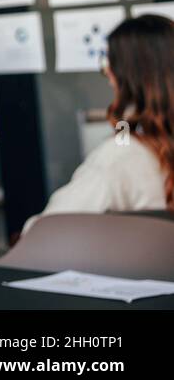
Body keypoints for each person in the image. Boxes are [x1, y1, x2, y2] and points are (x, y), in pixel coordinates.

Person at [20, 14, 174, 237]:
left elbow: (42, 233)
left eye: (108, 65)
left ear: (121, 77)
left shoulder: (120, 156)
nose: (108, 74)